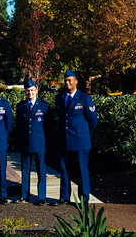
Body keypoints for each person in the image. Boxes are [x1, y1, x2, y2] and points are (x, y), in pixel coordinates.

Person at [53, 69, 98, 205]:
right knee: (64, 169)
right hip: (64, 140)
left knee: (81, 170)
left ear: (76, 82)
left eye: (70, 80)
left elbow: (93, 120)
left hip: (80, 141)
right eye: (65, 80)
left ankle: (84, 198)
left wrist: (84, 135)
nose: (67, 82)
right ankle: (64, 197)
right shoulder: (59, 98)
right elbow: (61, 117)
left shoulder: (84, 98)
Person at [14, 79, 52, 206]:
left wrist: (47, 143)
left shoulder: (44, 106)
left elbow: (48, 126)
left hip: (40, 143)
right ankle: (24, 195)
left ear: (36, 91)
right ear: (25, 92)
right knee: (25, 170)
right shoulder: (21, 106)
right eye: (27, 90)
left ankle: (41, 197)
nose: (30, 93)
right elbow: (18, 126)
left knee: (41, 170)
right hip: (25, 143)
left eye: (32, 90)